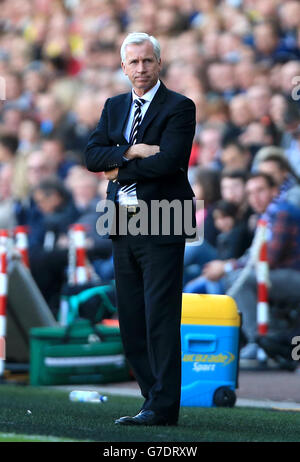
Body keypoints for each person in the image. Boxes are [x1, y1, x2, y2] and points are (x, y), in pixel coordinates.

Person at [85, 32, 196, 426]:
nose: (141, 68)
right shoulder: (114, 106)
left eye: (147, 61)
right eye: (133, 62)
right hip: (122, 219)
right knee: (131, 319)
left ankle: (163, 407)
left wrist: (115, 167)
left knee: (161, 316)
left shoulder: (180, 107)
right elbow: (90, 156)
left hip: (165, 216)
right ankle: (152, 400)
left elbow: (169, 163)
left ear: (159, 63)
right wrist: (130, 151)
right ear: (122, 67)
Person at [203, 173, 300, 360]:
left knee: (241, 279)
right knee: (230, 277)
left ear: (274, 190)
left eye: (260, 190)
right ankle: (263, 338)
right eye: (250, 193)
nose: (255, 197)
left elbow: (268, 259)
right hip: (278, 275)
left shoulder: (281, 212)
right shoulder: (266, 215)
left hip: (294, 276)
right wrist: (228, 267)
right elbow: (255, 257)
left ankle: (262, 341)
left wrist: (227, 267)